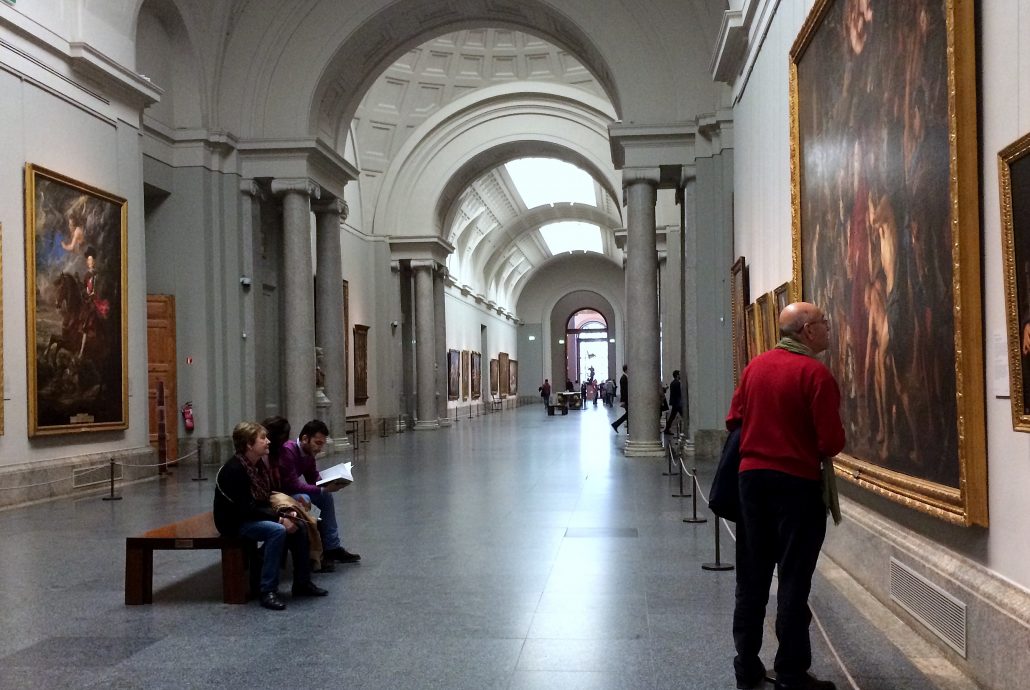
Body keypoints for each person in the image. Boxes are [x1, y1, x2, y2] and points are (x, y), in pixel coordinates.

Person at [726, 302, 845, 690]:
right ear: (807, 331)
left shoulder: (755, 367)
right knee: (794, 578)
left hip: (751, 482)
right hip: (796, 484)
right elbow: (831, 441)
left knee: (752, 575)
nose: (828, 328)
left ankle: (746, 665)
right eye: (824, 322)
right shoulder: (815, 373)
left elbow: (734, 419)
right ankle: (791, 672)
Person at [213, 421, 328, 611]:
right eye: (262, 438)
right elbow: (246, 509)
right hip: (234, 521)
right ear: (249, 444)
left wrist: (285, 512)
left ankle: (302, 583)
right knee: (277, 531)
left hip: (250, 514)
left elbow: (264, 499)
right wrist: (280, 519)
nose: (268, 441)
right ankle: (267, 590)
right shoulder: (235, 469)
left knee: (299, 526)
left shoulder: (256, 465)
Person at [279, 419, 361, 565]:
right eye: (317, 443)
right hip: (282, 495)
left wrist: (332, 480)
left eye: (322, 444)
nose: (319, 448)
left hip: (292, 491)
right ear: (305, 438)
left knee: (326, 497)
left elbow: (312, 477)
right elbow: (293, 485)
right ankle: (313, 551)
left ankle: (332, 547)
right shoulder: (288, 451)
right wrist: (322, 489)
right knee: (305, 497)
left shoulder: (308, 453)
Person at [663, 370, 683, 435]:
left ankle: (666, 429)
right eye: (679, 374)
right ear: (677, 375)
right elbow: (679, 393)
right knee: (684, 416)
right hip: (678, 403)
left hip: (675, 403)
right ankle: (689, 427)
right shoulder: (677, 383)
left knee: (672, 417)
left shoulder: (672, 383)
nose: (680, 375)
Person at [611, 365, 629, 432]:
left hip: (626, 399)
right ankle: (616, 424)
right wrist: (624, 401)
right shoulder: (623, 378)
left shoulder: (625, 377)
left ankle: (616, 425)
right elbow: (623, 390)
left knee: (628, 414)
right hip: (626, 399)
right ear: (626, 370)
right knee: (628, 414)